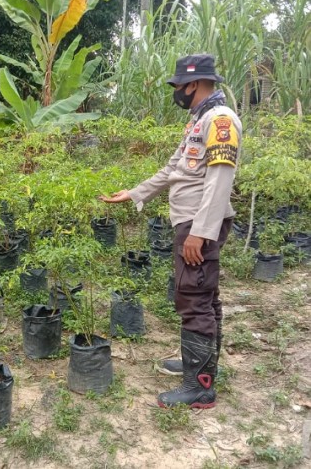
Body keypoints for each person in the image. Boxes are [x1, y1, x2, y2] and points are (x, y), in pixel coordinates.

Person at [99, 54, 242, 409]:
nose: (176, 92)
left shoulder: (220, 121)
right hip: (192, 221)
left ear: (194, 84)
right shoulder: (200, 119)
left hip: (198, 224)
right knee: (203, 294)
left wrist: (200, 233)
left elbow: (219, 179)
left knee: (193, 298)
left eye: (179, 86)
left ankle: (200, 386)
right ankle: (203, 365)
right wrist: (134, 193)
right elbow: (173, 171)